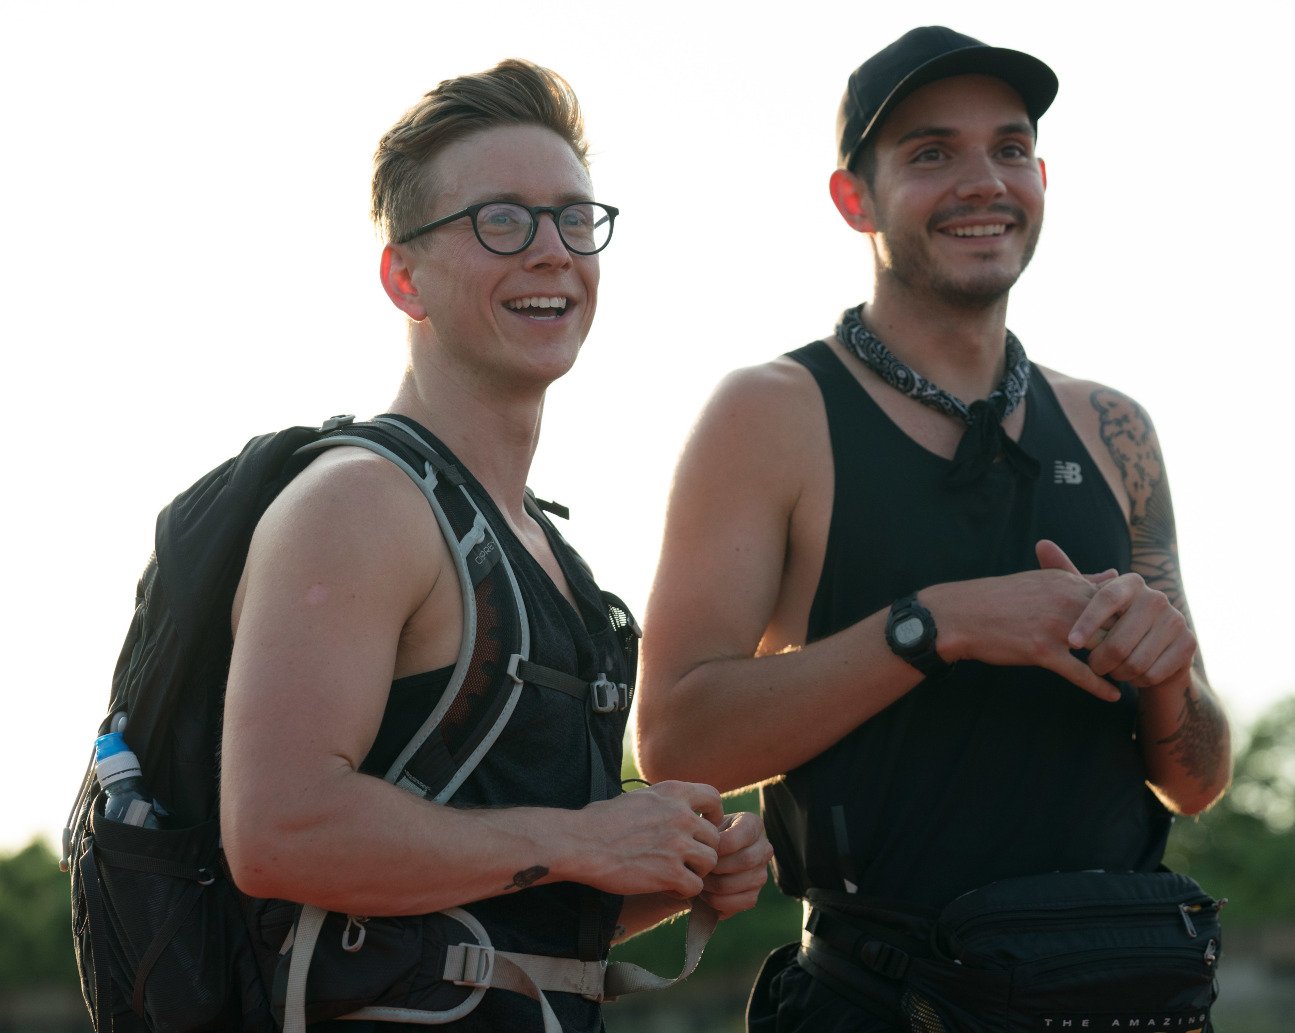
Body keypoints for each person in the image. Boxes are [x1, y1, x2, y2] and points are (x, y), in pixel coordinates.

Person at [634, 26, 1231, 1031]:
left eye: (1007, 149)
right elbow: (679, 741)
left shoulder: (1111, 426)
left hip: (1122, 992)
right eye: (929, 152)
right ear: (852, 198)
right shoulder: (771, 413)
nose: (980, 180)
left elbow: (1196, 779)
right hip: (885, 996)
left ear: (1040, 177)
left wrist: (1166, 674)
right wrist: (936, 624)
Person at [219, 59, 772, 1032]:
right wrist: (581, 836)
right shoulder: (359, 503)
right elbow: (279, 830)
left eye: (572, 216)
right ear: (405, 278)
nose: (552, 250)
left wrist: (668, 873)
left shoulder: (550, 551)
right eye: (499, 220)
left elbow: (511, 909)